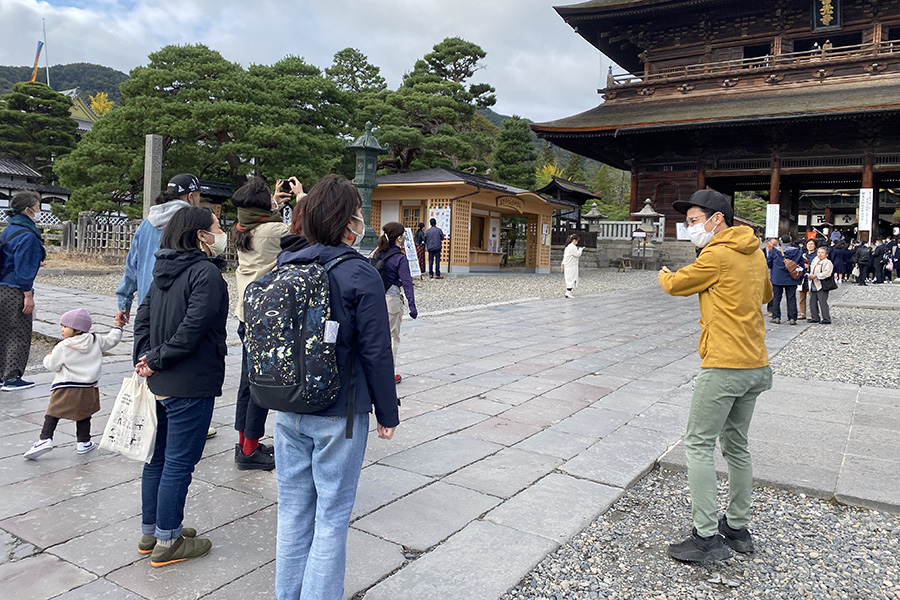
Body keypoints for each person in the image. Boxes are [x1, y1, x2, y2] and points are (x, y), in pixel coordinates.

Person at [273, 175, 398, 599]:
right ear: (348, 221)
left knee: (292, 512)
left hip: (287, 406)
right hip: (340, 412)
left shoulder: (287, 263)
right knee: (331, 514)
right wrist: (387, 412)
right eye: (358, 213)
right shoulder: (359, 272)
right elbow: (377, 351)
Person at [658, 189, 773, 563]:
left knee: (698, 445)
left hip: (724, 365)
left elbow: (677, 284)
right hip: (756, 364)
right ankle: (737, 527)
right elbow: (767, 294)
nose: (689, 227)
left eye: (693, 221)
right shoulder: (755, 252)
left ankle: (706, 537)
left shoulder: (717, 254)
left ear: (717, 219)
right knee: (737, 446)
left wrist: (663, 274)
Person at [133, 206, 229, 567]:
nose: (223, 231)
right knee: (178, 463)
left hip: (158, 379)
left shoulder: (162, 271)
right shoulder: (205, 273)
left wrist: (145, 359)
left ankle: (153, 529)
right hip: (190, 380)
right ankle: (168, 540)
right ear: (201, 235)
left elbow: (142, 321)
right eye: (217, 227)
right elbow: (194, 328)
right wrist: (156, 359)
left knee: (157, 458)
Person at [231, 176, 303, 470]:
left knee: (246, 382)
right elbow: (304, 232)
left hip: (245, 313)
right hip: (266, 317)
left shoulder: (240, 227)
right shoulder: (274, 230)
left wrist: (272, 201)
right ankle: (249, 452)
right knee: (260, 383)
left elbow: (265, 222)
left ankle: (244, 443)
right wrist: (302, 198)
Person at [24, 309, 125, 459]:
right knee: (84, 414)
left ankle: (45, 439)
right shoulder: (96, 340)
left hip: (66, 386)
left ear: (77, 329)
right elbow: (112, 340)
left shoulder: (63, 346)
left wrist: (49, 356)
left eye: (65, 326)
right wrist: (118, 326)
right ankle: (83, 442)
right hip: (88, 388)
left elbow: (51, 365)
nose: (62, 330)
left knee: (53, 413)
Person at [1, 191, 46, 391]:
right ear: (28, 209)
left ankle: (2, 374)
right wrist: (28, 295)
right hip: (15, 290)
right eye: (37, 207)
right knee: (19, 333)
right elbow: (22, 269)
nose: (39, 211)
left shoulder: (10, 228)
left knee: (3, 332)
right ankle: (12, 377)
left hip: (2, 285)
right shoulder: (28, 234)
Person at [371, 222, 418, 384]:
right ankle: (388, 373)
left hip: (376, 300)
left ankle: (372, 371)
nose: (405, 237)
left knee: (376, 336)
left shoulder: (377, 254)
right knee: (392, 337)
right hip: (392, 301)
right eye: (403, 234)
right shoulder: (399, 258)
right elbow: (407, 283)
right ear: (399, 238)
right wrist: (412, 306)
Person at [766, 234, 803, 325]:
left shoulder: (774, 251)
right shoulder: (797, 251)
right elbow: (801, 264)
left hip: (777, 277)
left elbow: (769, 263)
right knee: (791, 298)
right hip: (791, 278)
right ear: (790, 241)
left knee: (776, 298)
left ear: (781, 241)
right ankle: (792, 318)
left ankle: (776, 317)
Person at [808, 245, 834, 324]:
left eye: (822, 253)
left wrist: (816, 275)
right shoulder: (816, 261)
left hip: (822, 284)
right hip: (814, 283)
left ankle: (826, 318)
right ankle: (815, 317)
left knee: (822, 301)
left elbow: (827, 273)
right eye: (818, 252)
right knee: (812, 301)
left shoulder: (827, 262)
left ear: (826, 254)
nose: (820, 254)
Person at [798, 238, 818, 319]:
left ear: (815, 246)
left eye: (812, 244)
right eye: (808, 244)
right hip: (803, 277)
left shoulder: (817, 255)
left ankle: (813, 313)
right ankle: (802, 313)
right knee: (802, 297)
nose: (810, 246)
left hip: (812, 277)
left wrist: (809, 266)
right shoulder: (803, 254)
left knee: (812, 297)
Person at [562, 233, 583, 298]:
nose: (577, 242)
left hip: (568, 264)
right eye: (576, 241)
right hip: (571, 265)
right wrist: (580, 250)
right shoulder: (572, 247)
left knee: (569, 278)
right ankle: (568, 292)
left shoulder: (568, 246)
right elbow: (577, 254)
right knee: (572, 278)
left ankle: (568, 292)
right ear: (574, 240)